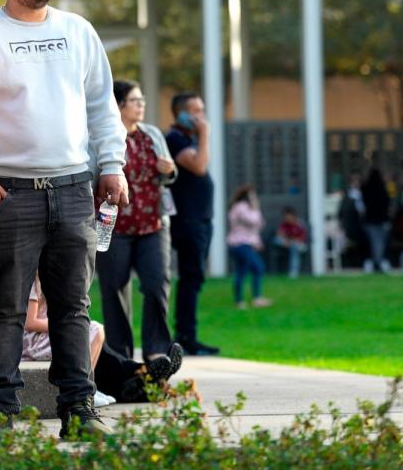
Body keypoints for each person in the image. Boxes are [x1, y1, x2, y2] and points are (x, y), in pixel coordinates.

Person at [0, 0, 127, 443]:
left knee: (74, 307)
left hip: (74, 189)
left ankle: (79, 410)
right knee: (3, 308)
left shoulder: (78, 31)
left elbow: (101, 107)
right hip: (8, 194)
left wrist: (111, 166)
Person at [95, 80, 177, 363]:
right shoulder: (101, 137)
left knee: (156, 283)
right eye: (135, 100)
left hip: (153, 224)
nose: (141, 105)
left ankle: (157, 352)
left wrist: (168, 170)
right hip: (112, 226)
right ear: (119, 105)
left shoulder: (151, 134)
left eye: (142, 100)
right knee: (114, 289)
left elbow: (168, 174)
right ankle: (121, 357)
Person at [23, 275, 183, 406]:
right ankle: (142, 374)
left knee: (92, 336)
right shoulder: (34, 279)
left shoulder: (49, 276)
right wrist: (68, 324)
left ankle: (145, 381)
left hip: (46, 335)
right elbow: (30, 322)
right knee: (89, 333)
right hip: (35, 342)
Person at [165, 92, 219, 356]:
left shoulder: (189, 139)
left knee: (194, 278)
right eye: (195, 111)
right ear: (181, 113)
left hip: (201, 219)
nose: (201, 117)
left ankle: (188, 334)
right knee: (191, 277)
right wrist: (205, 134)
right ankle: (186, 336)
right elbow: (198, 166)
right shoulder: (175, 139)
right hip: (188, 221)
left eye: (203, 110)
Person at [226, 184, 271, 309]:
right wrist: (256, 208)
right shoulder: (241, 207)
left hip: (243, 244)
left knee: (244, 271)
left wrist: (257, 242)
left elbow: (256, 227)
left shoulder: (241, 207)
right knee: (256, 268)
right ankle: (251, 299)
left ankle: (243, 300)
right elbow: (254, 221)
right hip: (240, 244)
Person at [362, 168, 391, 273]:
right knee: (380, 243)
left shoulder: (366, 188)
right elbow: (387, 204)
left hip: (370, 220)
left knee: (374, 242)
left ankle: (376, 262)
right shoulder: (383, 189)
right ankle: (378, 262)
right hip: (381, 220)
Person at [338, 174, 368, 270]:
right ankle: (350, 264)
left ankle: (360, 263)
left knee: (360, 245)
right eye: (354, 181)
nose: (356, 183)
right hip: (350, 225)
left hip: (361, 225)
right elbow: (341, 212)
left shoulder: (363, 194)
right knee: (349, 246)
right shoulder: (347, 196)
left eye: (358, 181)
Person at [275, 206, 308, 277]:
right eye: (285, 216)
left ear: (293, 216)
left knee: (294, 247)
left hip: (300, 245)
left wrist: (291, 241)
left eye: (288, 216)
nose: (287, 218)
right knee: (276, 240)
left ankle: (293, 273)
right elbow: (279, 235)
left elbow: (302, 238)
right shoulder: (284, 225)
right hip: (287, 244)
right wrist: (286, 240)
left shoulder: (299, 224)